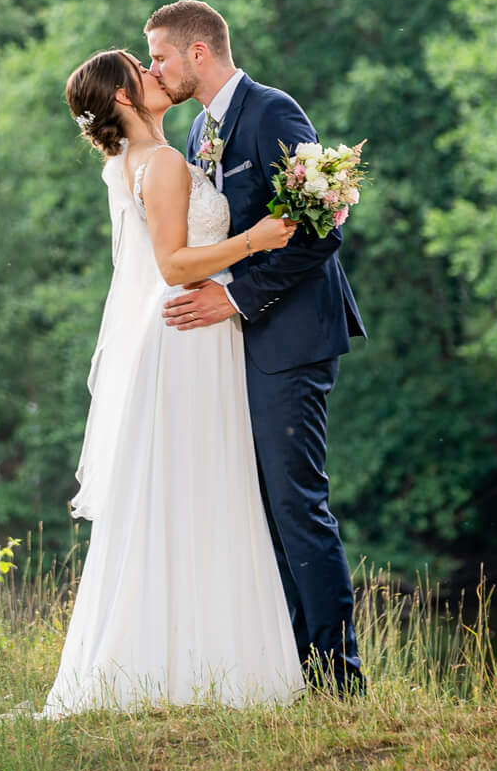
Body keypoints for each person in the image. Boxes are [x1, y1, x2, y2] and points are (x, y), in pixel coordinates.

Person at [40, 48, 304, 718]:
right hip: (187, 337)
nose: (157, 75)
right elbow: (174, 264)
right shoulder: (157, 164)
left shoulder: (136, 161)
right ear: (126, 97)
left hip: (190, 340)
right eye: (144, 69)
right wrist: (259, 240)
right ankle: (195, 668)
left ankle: (196, 662)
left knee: (195, 493)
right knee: (202, 492)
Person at [145, 0, 367, 692]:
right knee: (264, 509)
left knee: (298, 505)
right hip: (237, 346)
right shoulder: (194, 134)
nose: (155, 68)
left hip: (293, 338)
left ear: (199, 52)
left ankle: (340, 679)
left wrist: (238, 297)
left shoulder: (272, 112)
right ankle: (293, 670)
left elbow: (323, 228)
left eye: (160, 56)